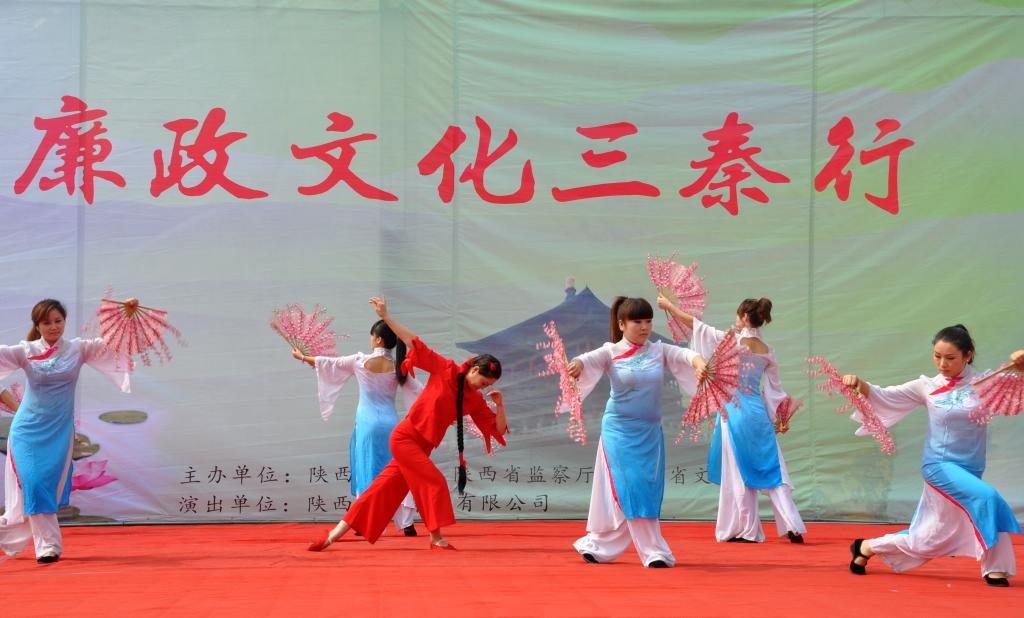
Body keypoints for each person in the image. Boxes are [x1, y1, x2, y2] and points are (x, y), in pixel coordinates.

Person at [308, 297, 507, 551]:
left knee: (379, 490)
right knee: (434, 481)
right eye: (484, 382)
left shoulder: (476, 400)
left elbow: (498, 430)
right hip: (405, 438)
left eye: (488, 386)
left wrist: (500, 406)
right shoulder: (445, 369)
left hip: (422, 447)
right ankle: (436, 538)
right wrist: (386, 317)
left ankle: (332, 537)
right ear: (475, 369)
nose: (484, 387)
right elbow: (414, 342)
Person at [841, 325, 1024, 587]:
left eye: (950, 358)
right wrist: (859, 383)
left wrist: (1021, 363)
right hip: (939, 465)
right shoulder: (926, 386)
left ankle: (867, 547)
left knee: (930, 537)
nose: (942, 364)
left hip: (971, 467)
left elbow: (1018, 383)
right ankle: (997, 568)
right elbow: (885, 395)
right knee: (987, 497)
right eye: (937, 356)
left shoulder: (987, 382)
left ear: (968, 355)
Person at [566, 297, 707, 568]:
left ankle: (598, 546)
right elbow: (585, 359)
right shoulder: (610, 352)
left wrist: (699, 363)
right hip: (618, 430)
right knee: (632, 486)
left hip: (649, 432)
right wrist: (577, 365)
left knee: (642, 490)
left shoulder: (658, 350)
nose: (644, 327)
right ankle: (655, 552)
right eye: (637, 322)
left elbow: (686, 355)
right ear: (622, 324)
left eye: (648, 321)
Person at [659, 294, 807, 544]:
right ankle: (792, 523)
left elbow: (695, 325)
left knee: (738, 472)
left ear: (745, 317)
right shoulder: (768, 351)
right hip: (758, 413)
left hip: (734, 412)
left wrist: (670, 306)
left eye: (738, 315)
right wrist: (778, 418)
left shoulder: (732, 341)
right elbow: (774, 390)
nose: (736, 319)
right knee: (773, 467)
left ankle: (749, 530)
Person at [0, 298, 135, 564]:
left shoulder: (78, 349)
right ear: (37, 325)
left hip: (58, 433)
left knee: (43, 488)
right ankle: (48, 546)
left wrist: (126, 317)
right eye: (46, 322)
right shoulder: (25, 351)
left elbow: (115, 344)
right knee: (34, 484)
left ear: (64, 322)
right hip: (27, 431)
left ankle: (10, 534)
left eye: (58, 321)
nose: (53, 327)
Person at [292, 318, 423, 536]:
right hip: (391, 425)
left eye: (372, 335)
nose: (370, 339)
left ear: (378, 339)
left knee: (367, 470)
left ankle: (364, 521)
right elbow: (421, 392)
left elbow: (328, 363)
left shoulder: (360, 361)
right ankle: (407, 522)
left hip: (367, 424)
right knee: (397, 472)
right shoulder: (399, 366)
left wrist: (302, 357)